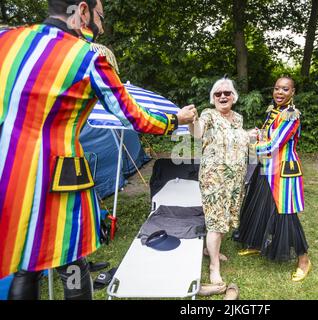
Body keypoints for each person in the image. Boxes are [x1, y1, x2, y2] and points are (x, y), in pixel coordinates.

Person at [0, 0, 197, 299]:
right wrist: (175, 119)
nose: (102, 27)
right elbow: (134, 116)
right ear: (82, 10)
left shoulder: (6, 39)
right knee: (72, 262)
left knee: (26, 265)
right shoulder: (87, 58)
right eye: (101, 17)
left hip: (6, 172)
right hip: (57, 177)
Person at [236, 76, 311, 282]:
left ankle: (304, 260)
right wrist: (258, 135)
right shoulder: (273, 111)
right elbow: (267, 136)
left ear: (292, 92)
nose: (279, 92)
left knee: (286, 214)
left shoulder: (291, 115)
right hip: (266, 167)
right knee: (261, 204)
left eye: (285, 89)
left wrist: (249, 146)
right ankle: (256, 244)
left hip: (283, 171)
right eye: (277, 88)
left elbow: (275, 143)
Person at [189, 77, 252, 286]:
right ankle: (214, 266)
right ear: (213, 98)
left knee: (226, 218)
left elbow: (238, 141)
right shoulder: (208, 115)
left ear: (234, 96)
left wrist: (249, 135)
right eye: (218, 94)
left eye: (227, 93)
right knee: (216, 222)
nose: (223, 96)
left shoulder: (238, 119)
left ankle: (210, 250)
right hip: (214, 180)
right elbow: (198, 134)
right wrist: (192, 120)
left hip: (235, 180)